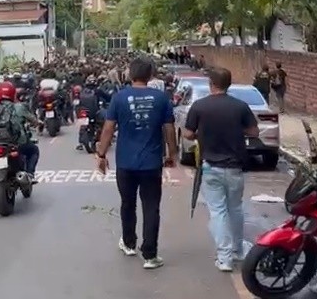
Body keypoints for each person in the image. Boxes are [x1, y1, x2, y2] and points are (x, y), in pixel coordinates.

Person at [96, 56, 178, 270]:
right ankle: (150, 255)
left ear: (130, 75)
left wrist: (101, 154)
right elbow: (169, 129)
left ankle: (129, 243)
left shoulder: (119, 98)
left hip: (125, 163)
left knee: (127, 203)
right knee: (151, 207)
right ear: (150, 75)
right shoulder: (161, 99)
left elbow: (108, 128)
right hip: (151, 163)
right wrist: (172, 154)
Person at [182, 67, 259, 272]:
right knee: (235, 208)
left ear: (211, 84)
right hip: (235, 167)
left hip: (210, 167)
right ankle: (237, 249)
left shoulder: (199, 106)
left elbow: (188, 134)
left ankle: (224, 258)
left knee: (218, 211)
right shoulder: (240, 106)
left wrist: (202, 132)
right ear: (228, 84)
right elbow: (254, 131)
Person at [0, 81, 42, 180]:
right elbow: (33, 120)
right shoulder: (19, 107)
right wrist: (38, 123)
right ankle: (30, 174)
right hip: (17, 143)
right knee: (34, 150)